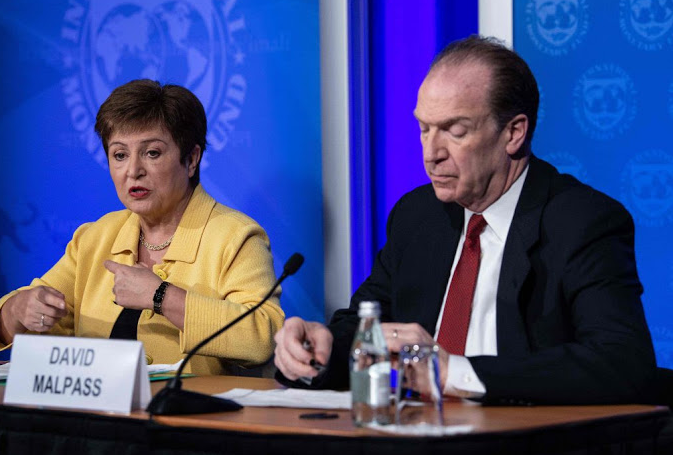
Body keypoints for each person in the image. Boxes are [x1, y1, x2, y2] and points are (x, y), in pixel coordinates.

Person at [275, 36, 659, 405]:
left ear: (513, 133)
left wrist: (453, 373)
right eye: (424, 129)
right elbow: (366, 324)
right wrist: (319, 346)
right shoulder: (417, 215)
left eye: (454, 131)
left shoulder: (581, 221)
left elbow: (621, 361)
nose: (430, 154)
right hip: (416, 438)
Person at [0, 79, 284, 375]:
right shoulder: (95, 237)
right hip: (97, 415)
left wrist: (162, 297)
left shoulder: (235, 236)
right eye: (119, 155)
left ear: (191, 159)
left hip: (188, 416)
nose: (133, 171)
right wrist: (18, 310)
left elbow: (262, 337)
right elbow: (30, 322)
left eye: (152, 153)